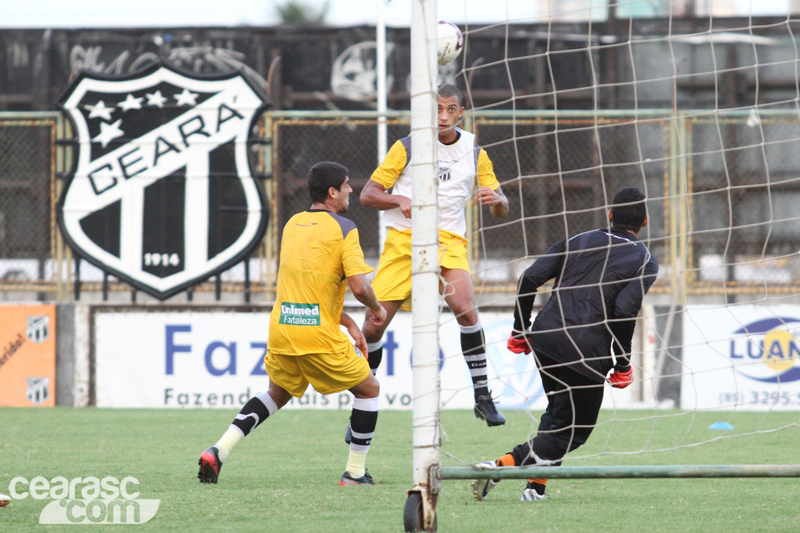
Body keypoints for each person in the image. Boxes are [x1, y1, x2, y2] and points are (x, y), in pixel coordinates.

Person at [198, 161, 387, 486]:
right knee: (369, 388)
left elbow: (307, 289)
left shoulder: (292, 224)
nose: (350, 190)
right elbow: (359, 286)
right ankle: (355, 473)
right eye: (345, 185)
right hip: (317, 336)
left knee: (278, 392)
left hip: (283, 329)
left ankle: (219, 450)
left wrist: (348, 323)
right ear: (332, 192)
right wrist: (376, 308)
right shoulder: (345, 228)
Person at [472, 186, 658, 502]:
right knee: (574, 431)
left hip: (546, 337)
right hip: (586, 348)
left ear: (609, 215)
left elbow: (529, 278)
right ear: (645, 221)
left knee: (558, 414)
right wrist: (623, 362)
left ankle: (535, 488)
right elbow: (624, 310)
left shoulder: (576, 240)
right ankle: (500, 466)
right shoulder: (645, 259)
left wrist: (521, 329)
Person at [354, 83, 510, 435]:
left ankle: (483, 394)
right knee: (375, 324)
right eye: (437, 109)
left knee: (466, 307)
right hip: (405, 241)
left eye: (450, 109)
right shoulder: (408, 146)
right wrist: (399, 201)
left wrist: (496, 201)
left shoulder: (474, 151)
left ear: (461, 113)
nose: (443, 116)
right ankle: (365, 394)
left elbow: (501, 205)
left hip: (449, 242)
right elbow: (368, 194)